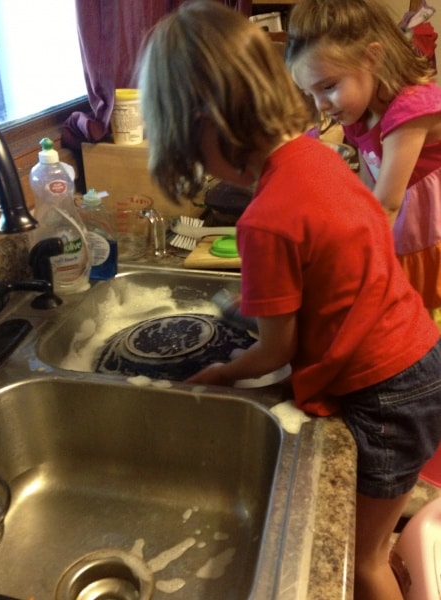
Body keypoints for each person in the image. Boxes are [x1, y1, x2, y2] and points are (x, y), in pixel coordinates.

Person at [137, 2, 441, 599]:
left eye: (194, 158)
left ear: (207, 126)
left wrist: (217, 376)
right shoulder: (318, 157)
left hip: (385, 394)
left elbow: (279, 348)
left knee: (362, 557)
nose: (208, 174)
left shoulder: (265, 221)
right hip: (419, 361)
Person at [285, 0, 441, 327]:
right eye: (310, 93)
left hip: (429, 218)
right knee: (409, 304)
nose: (321, 105)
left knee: (421, 303)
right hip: (407, 216)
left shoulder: (410, 109)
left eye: (328, 87)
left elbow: (386, 204)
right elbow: (369, 187)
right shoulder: (358, 112)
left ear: (372, 57)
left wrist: (344, 264)